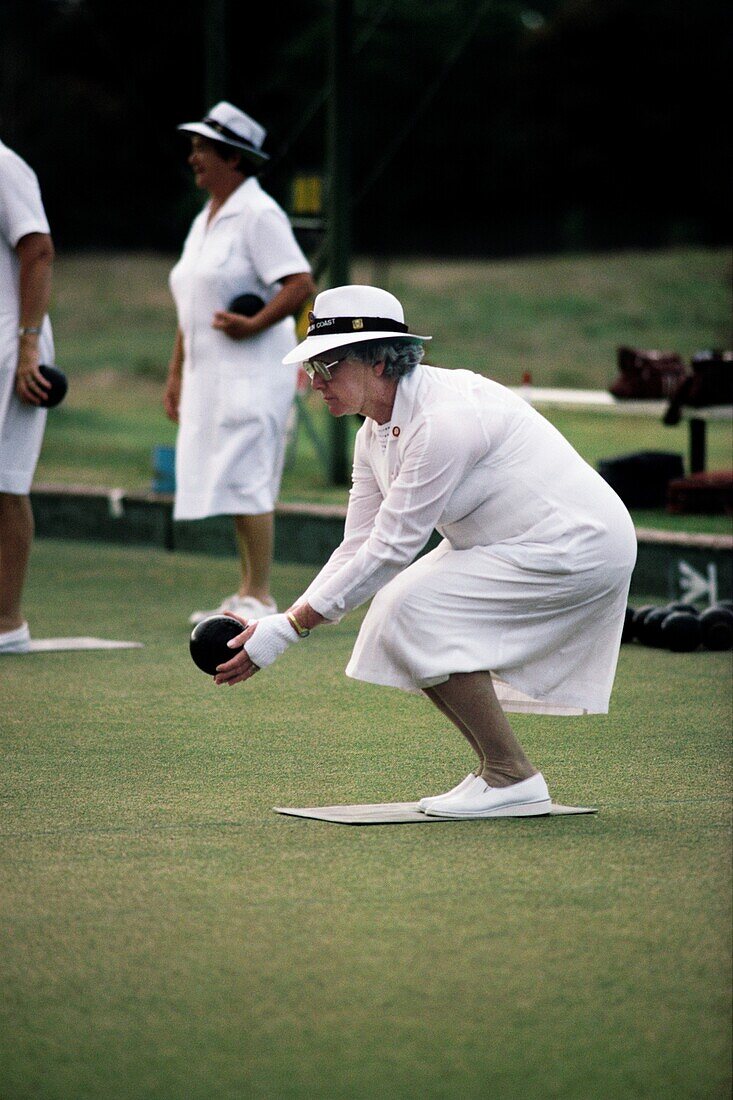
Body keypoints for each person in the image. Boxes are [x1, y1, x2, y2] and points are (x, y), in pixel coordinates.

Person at [212, 285, 637, 818]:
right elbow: (358, 545)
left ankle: (510, 776)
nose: (317, 381)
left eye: (329, 364)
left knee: (412, 606)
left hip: (577, 544)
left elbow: (393, 548)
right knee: (399, 613)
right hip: (511, 542)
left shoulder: (442, 420)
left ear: (378, 360)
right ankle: (503, 775)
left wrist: (290, 628)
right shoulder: (374, 434)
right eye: (314, 366)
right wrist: (283, 622)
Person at [164, 102, 315, 625]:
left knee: (248, 479)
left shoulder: (259, 213)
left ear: (233, 157)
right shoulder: (204, 220)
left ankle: (260, 595)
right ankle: (248, 590)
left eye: (203, 148)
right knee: (230, 478)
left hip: (253, 375)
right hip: (211, 378)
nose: (194, 158)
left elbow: (299, 285)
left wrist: (255, 324)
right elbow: (191, 306)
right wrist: (176, 372)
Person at [0, 138, 56, 655]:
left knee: (6, 480)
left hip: (10, 341)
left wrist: (28, 345)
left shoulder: (4, 165)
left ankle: (7, 624)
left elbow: (38, 249)